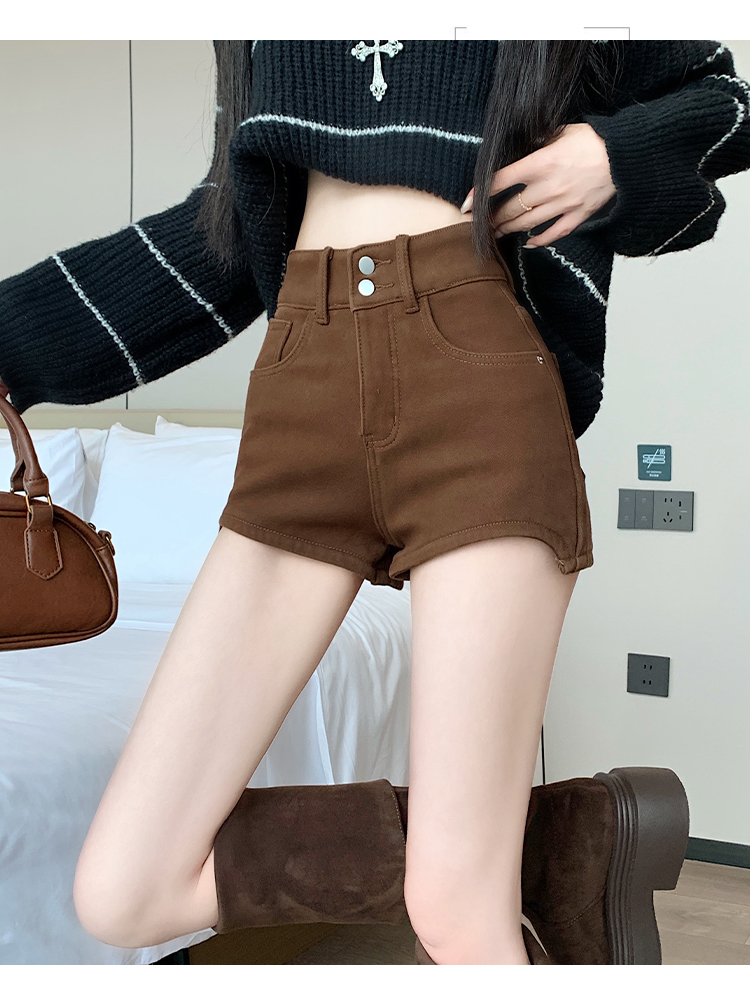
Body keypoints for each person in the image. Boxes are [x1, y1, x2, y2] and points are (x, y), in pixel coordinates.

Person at [1, 40, 748, 965]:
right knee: (123, 889)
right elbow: (224, 234)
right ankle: (559, 838)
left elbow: (728, 98)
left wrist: (614, 154)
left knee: (455, 912)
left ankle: (474, 860)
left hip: (474, 366)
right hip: (301, 381)